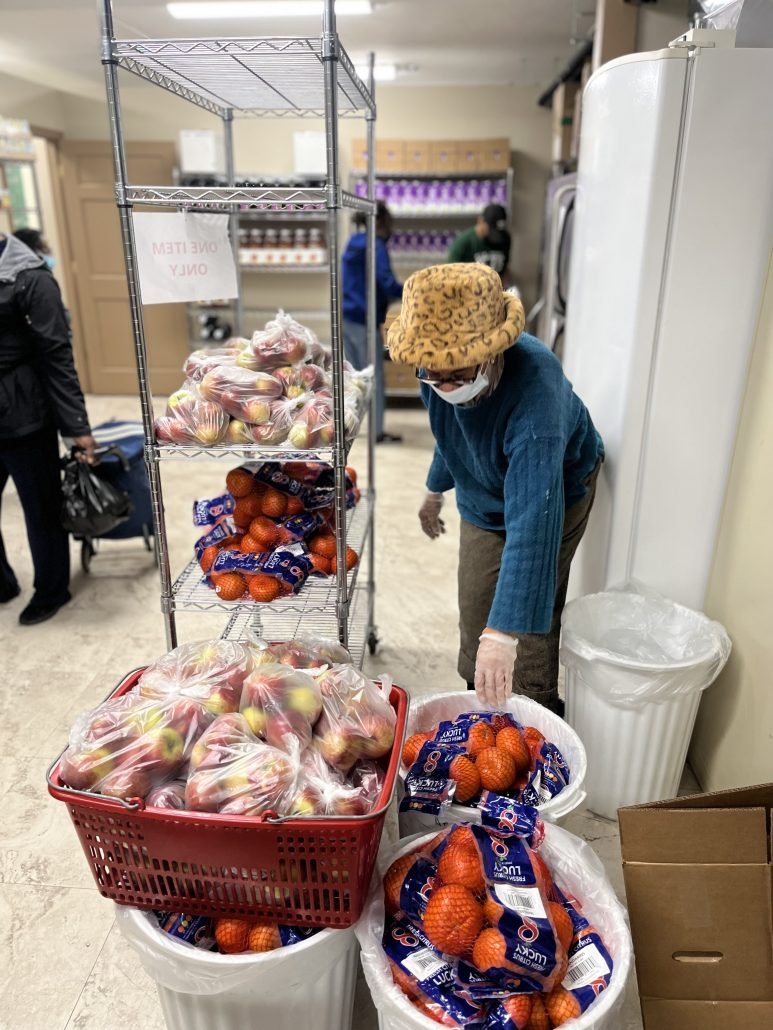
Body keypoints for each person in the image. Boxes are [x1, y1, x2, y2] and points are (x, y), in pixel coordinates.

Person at [386, 263, 604, 714]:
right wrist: (434, 488)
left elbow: (532, 527)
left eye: (459, 374)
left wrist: (504, 636)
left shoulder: (536, 391)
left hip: (556, 485)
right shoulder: (436, 368)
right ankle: (479, 692)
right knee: (477, 600)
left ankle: (535, 710)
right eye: (434, 375)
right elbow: (452, 434)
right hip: (484, 488)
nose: (444, 385)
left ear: (492, 352)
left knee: (529, 615)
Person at [0, 231, 95, 625]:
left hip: (23, 414)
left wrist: (77, 427)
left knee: (40, 507)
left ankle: (52, 588)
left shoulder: (31, 278)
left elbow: (56, 356)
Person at [342, 201, 403, 443]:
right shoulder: (375, 246)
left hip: (346, 318)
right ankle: (377, 432)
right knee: (373, 377)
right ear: (383, 223)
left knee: (356, 378)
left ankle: (350, 427)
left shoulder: (353, 243)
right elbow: (387, 282)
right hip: (364, 321)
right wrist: (411, 290)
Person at [448, 203, 511, 281]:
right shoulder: (464, 242)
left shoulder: (504, 238)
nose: (495, 236)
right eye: (491, 229)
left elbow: (504, 270)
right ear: (481, 221)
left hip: (495, 288)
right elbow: (451, 274)